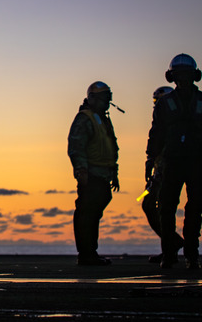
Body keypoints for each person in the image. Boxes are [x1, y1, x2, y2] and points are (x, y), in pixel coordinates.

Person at [146, 54, 202, 269]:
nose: (182, 79)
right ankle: (170, 255)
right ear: (172, 77)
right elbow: (157, 134)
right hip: (174, 161)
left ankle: (191, 255)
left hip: (195, 161)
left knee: (193, 207)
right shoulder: (167, 104)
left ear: (194, 76)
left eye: (186, 75)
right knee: (167, 208)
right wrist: (150, 160)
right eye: (178, 75)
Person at [67, 81, 120, 266]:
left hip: (103, 174)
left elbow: (110, 147)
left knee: (93, 213)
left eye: (108, 98)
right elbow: (76, 146)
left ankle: (90, 252)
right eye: (103, 98)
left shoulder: (102, 120)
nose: (106, 102)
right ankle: (87, 254)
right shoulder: (85, 119)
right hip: (91, 174)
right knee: (87, 213)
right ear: (92, 99)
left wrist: (113, 172)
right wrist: (81, 170)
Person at [141, 86, 184, 264]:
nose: (156, 105)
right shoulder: (164, 119)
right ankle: (170, 246)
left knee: (153, 205)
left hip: (166, 169)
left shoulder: (172, 120)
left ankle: (172, 245)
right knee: (158, 207)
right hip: (161, 169)